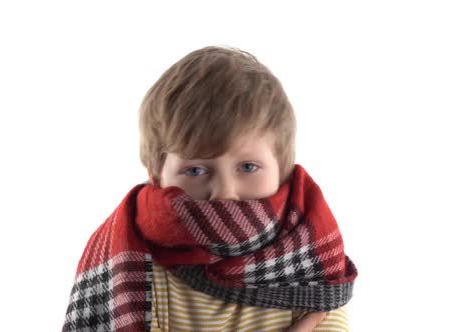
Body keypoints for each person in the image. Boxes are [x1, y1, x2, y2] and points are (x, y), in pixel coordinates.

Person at [62, 46, 357, 332]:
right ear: (156, 175)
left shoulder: (311, 265)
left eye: (248, 167)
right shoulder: (130, 262)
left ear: (282, 169)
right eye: (195, 170)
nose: (225, 192)